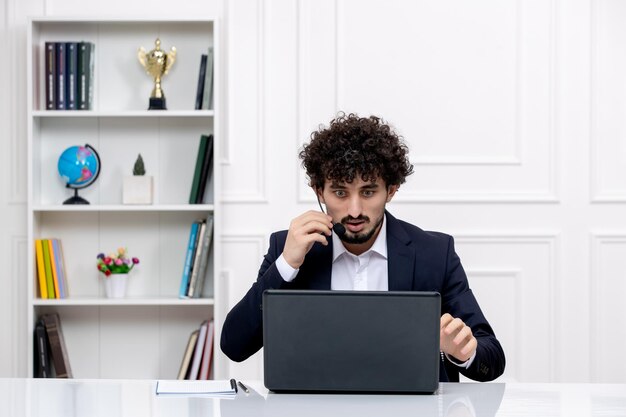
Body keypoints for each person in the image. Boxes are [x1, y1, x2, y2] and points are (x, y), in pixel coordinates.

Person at [220, 113, 505, 382]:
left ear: (391, 191)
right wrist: (285, 265)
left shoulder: (434, 252)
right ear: (319, 191)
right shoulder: (287, 247)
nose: (354, 210)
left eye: (368, 192)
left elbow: (492, 359)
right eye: (340, 192)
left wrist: (462, 351)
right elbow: (235, 345)